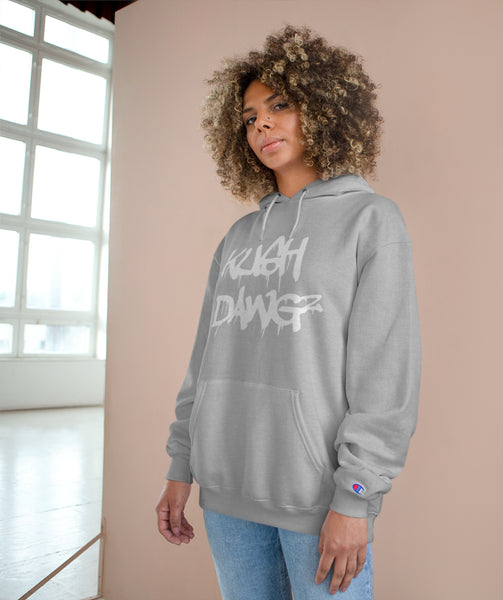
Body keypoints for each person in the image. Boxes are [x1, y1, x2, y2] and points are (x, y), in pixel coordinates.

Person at [155, 24, 422, 599]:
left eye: (279, 106)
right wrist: (181, 466)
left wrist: (356, 497)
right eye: (250, 116)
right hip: (225, 494)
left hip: (318, 500)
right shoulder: (237, 237)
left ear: (323, 110)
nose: (262, 125)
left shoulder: (371, 221)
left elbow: (385, 375)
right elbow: (203, 363)